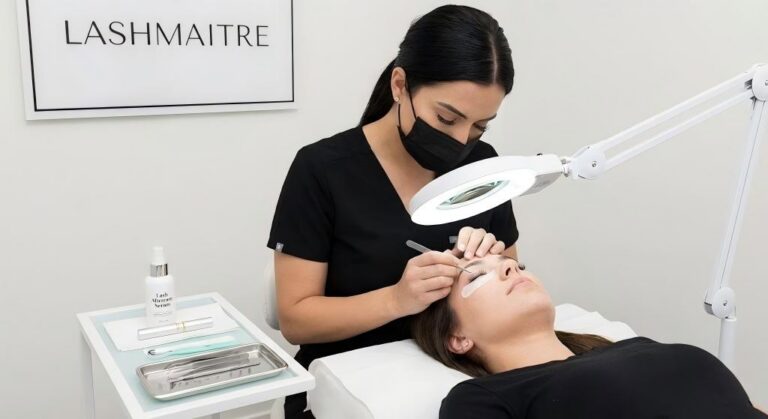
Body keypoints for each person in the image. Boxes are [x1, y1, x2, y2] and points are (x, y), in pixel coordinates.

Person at [267, 5, 520, 418]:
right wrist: (397, 299)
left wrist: (490, 263)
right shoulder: (323, 170)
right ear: (400, 84)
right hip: (344, 381)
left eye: (479, 126)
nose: (461, 141)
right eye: (446, 118)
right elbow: (296, 319)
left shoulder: (484, 167)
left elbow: (511, 280)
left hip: (452, 377)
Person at [411, 254, 768, 418]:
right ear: (457, 338)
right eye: (476, 276)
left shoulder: (633, 347)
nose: (509, 265)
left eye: (517, 265)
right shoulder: (483, 398)